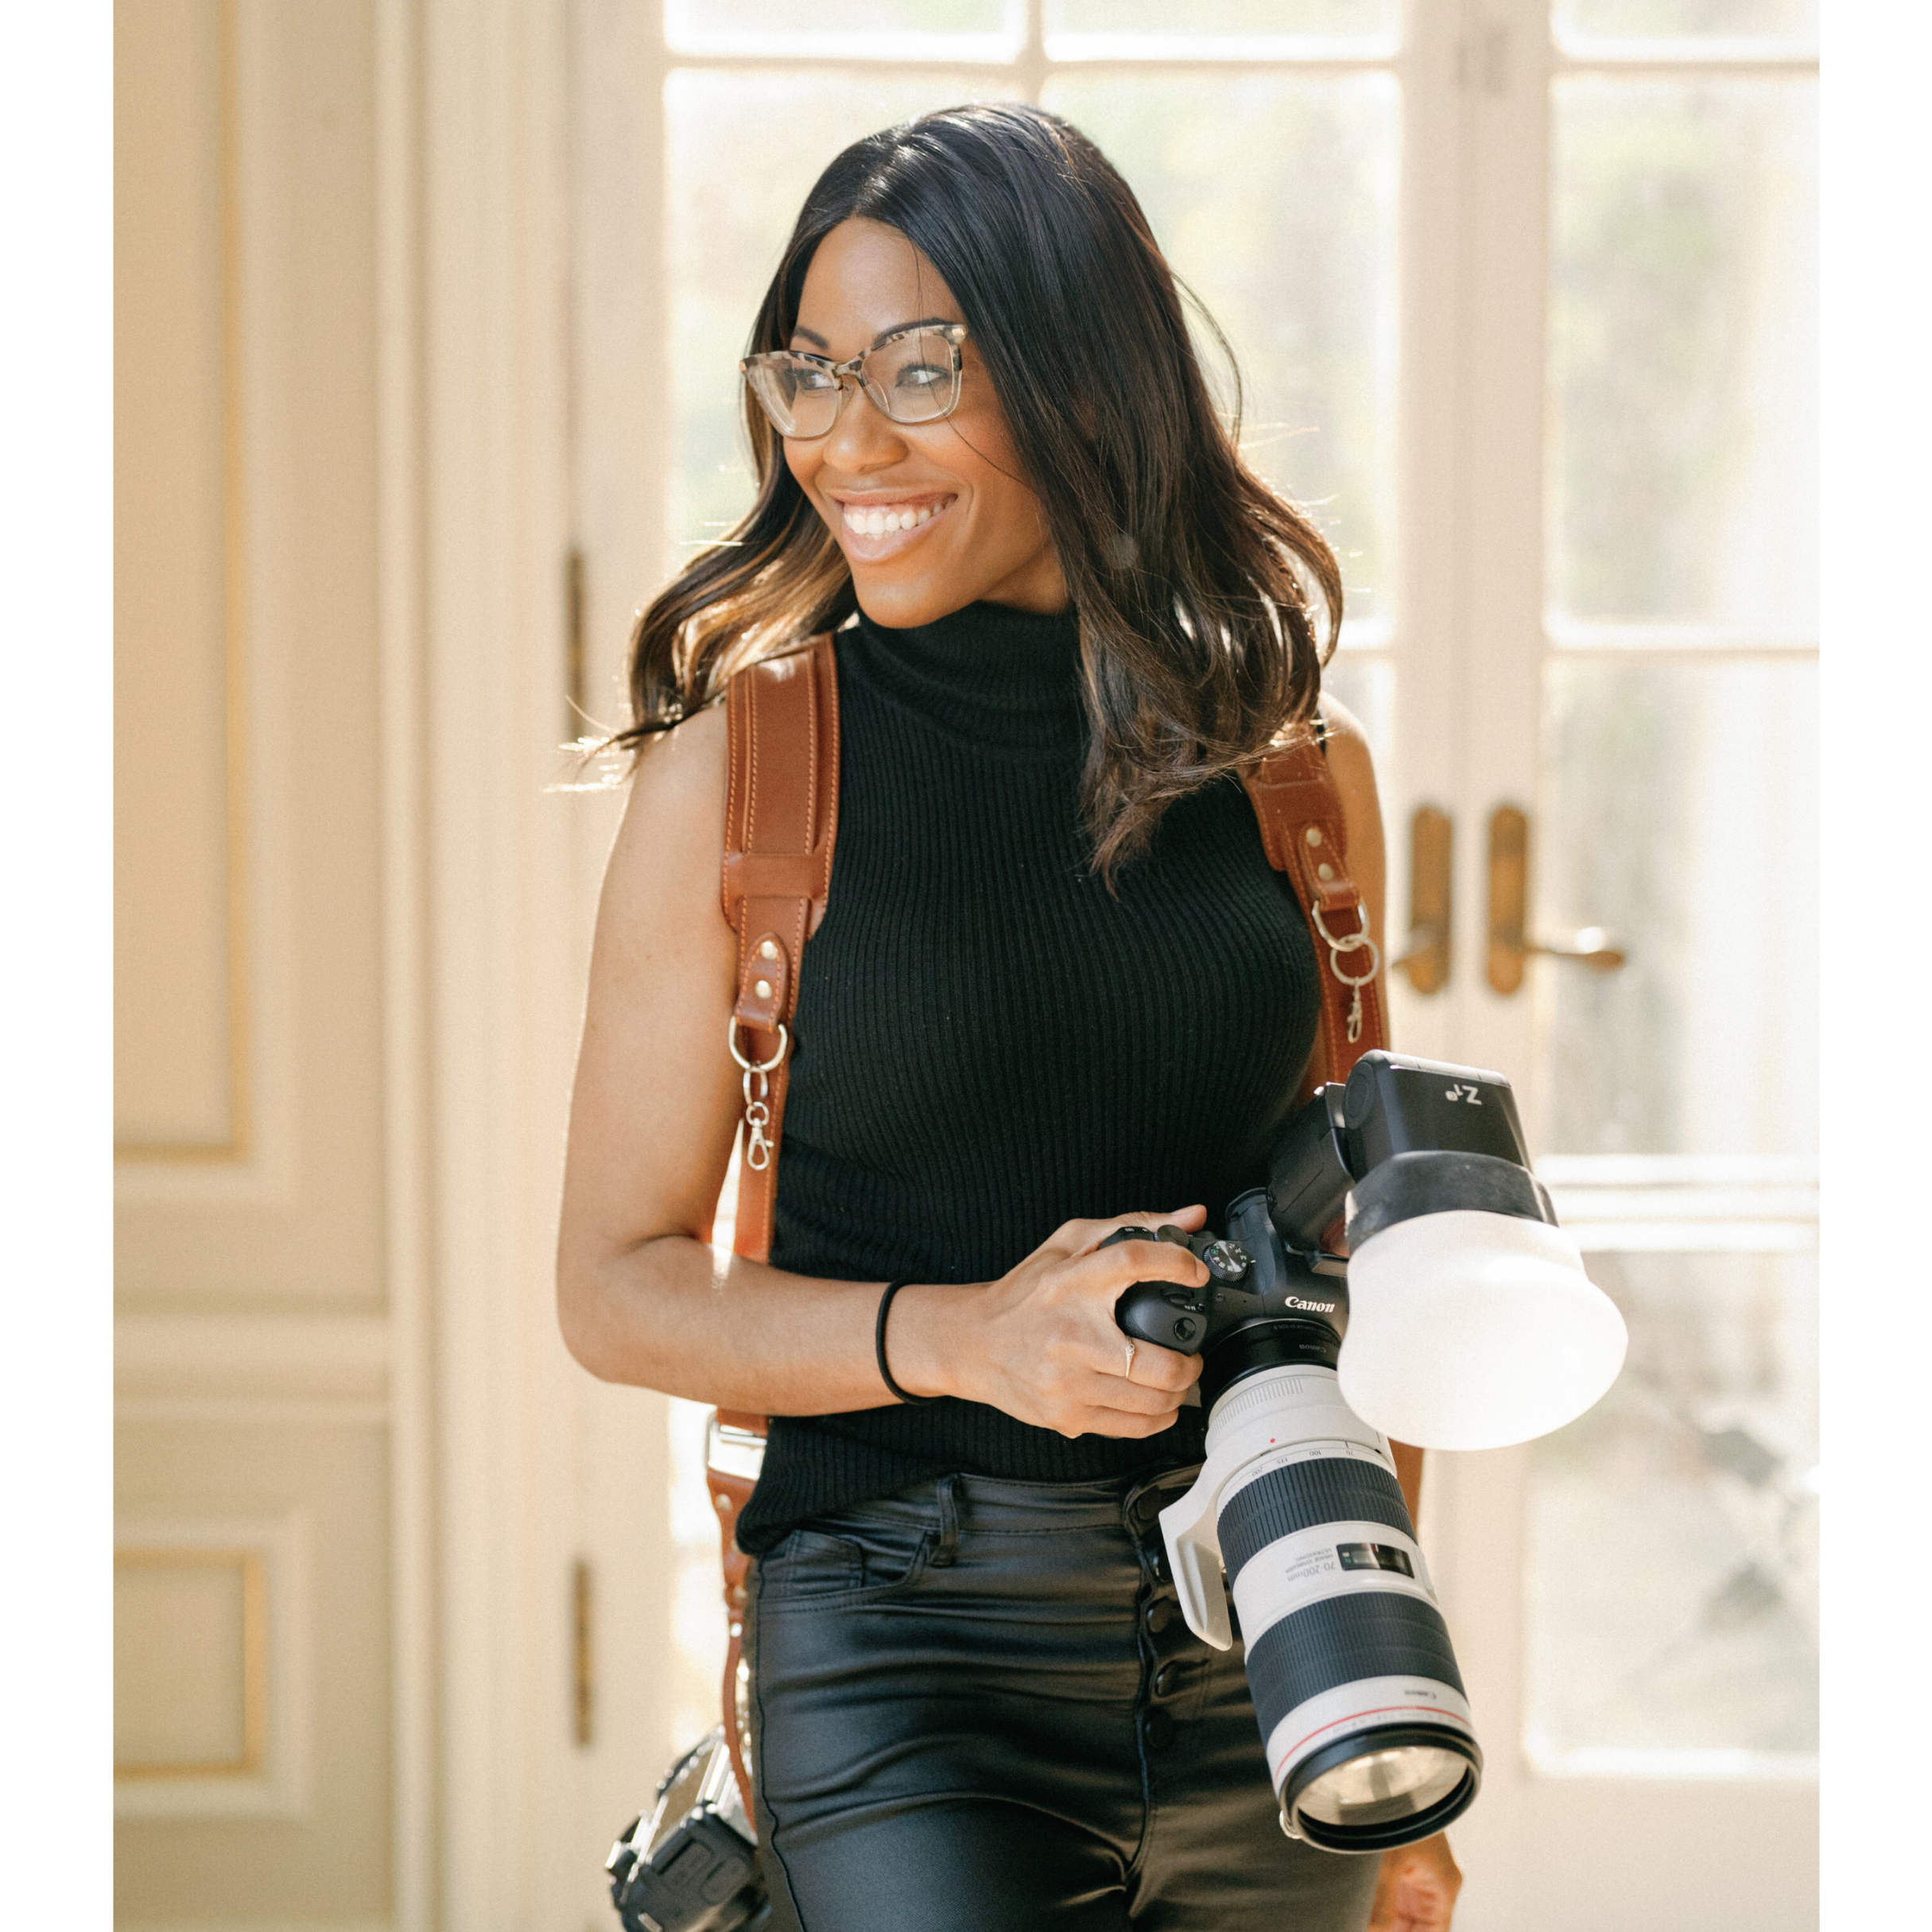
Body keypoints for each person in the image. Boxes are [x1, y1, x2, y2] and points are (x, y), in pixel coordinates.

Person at [557, 103, 1461, 1932]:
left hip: (1270, 1639)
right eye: (810, 375)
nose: (845, 439)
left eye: (918, 369)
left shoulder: (1298, 780)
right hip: (903, 1652)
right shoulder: (752, 774)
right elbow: (614, 1284)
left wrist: (1394, 1692)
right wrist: (969, 1340)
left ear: (1080, 382)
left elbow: (1375, 1283)